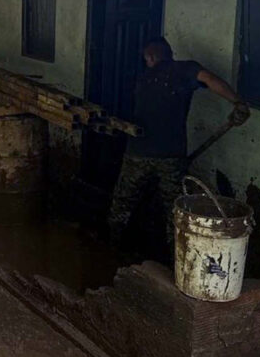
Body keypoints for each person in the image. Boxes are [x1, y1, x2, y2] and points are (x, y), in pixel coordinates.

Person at [107, 37, 250, 252]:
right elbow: (211, 79)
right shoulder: (185, 70)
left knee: (123, 202)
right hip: (171, 156)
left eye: (146, 58)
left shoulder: (143, 78)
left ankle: (112, 244)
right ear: (169, 53)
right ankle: (175, 255)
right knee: (175, 209)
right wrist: (237, 102)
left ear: (151, 56)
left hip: (138, 153)